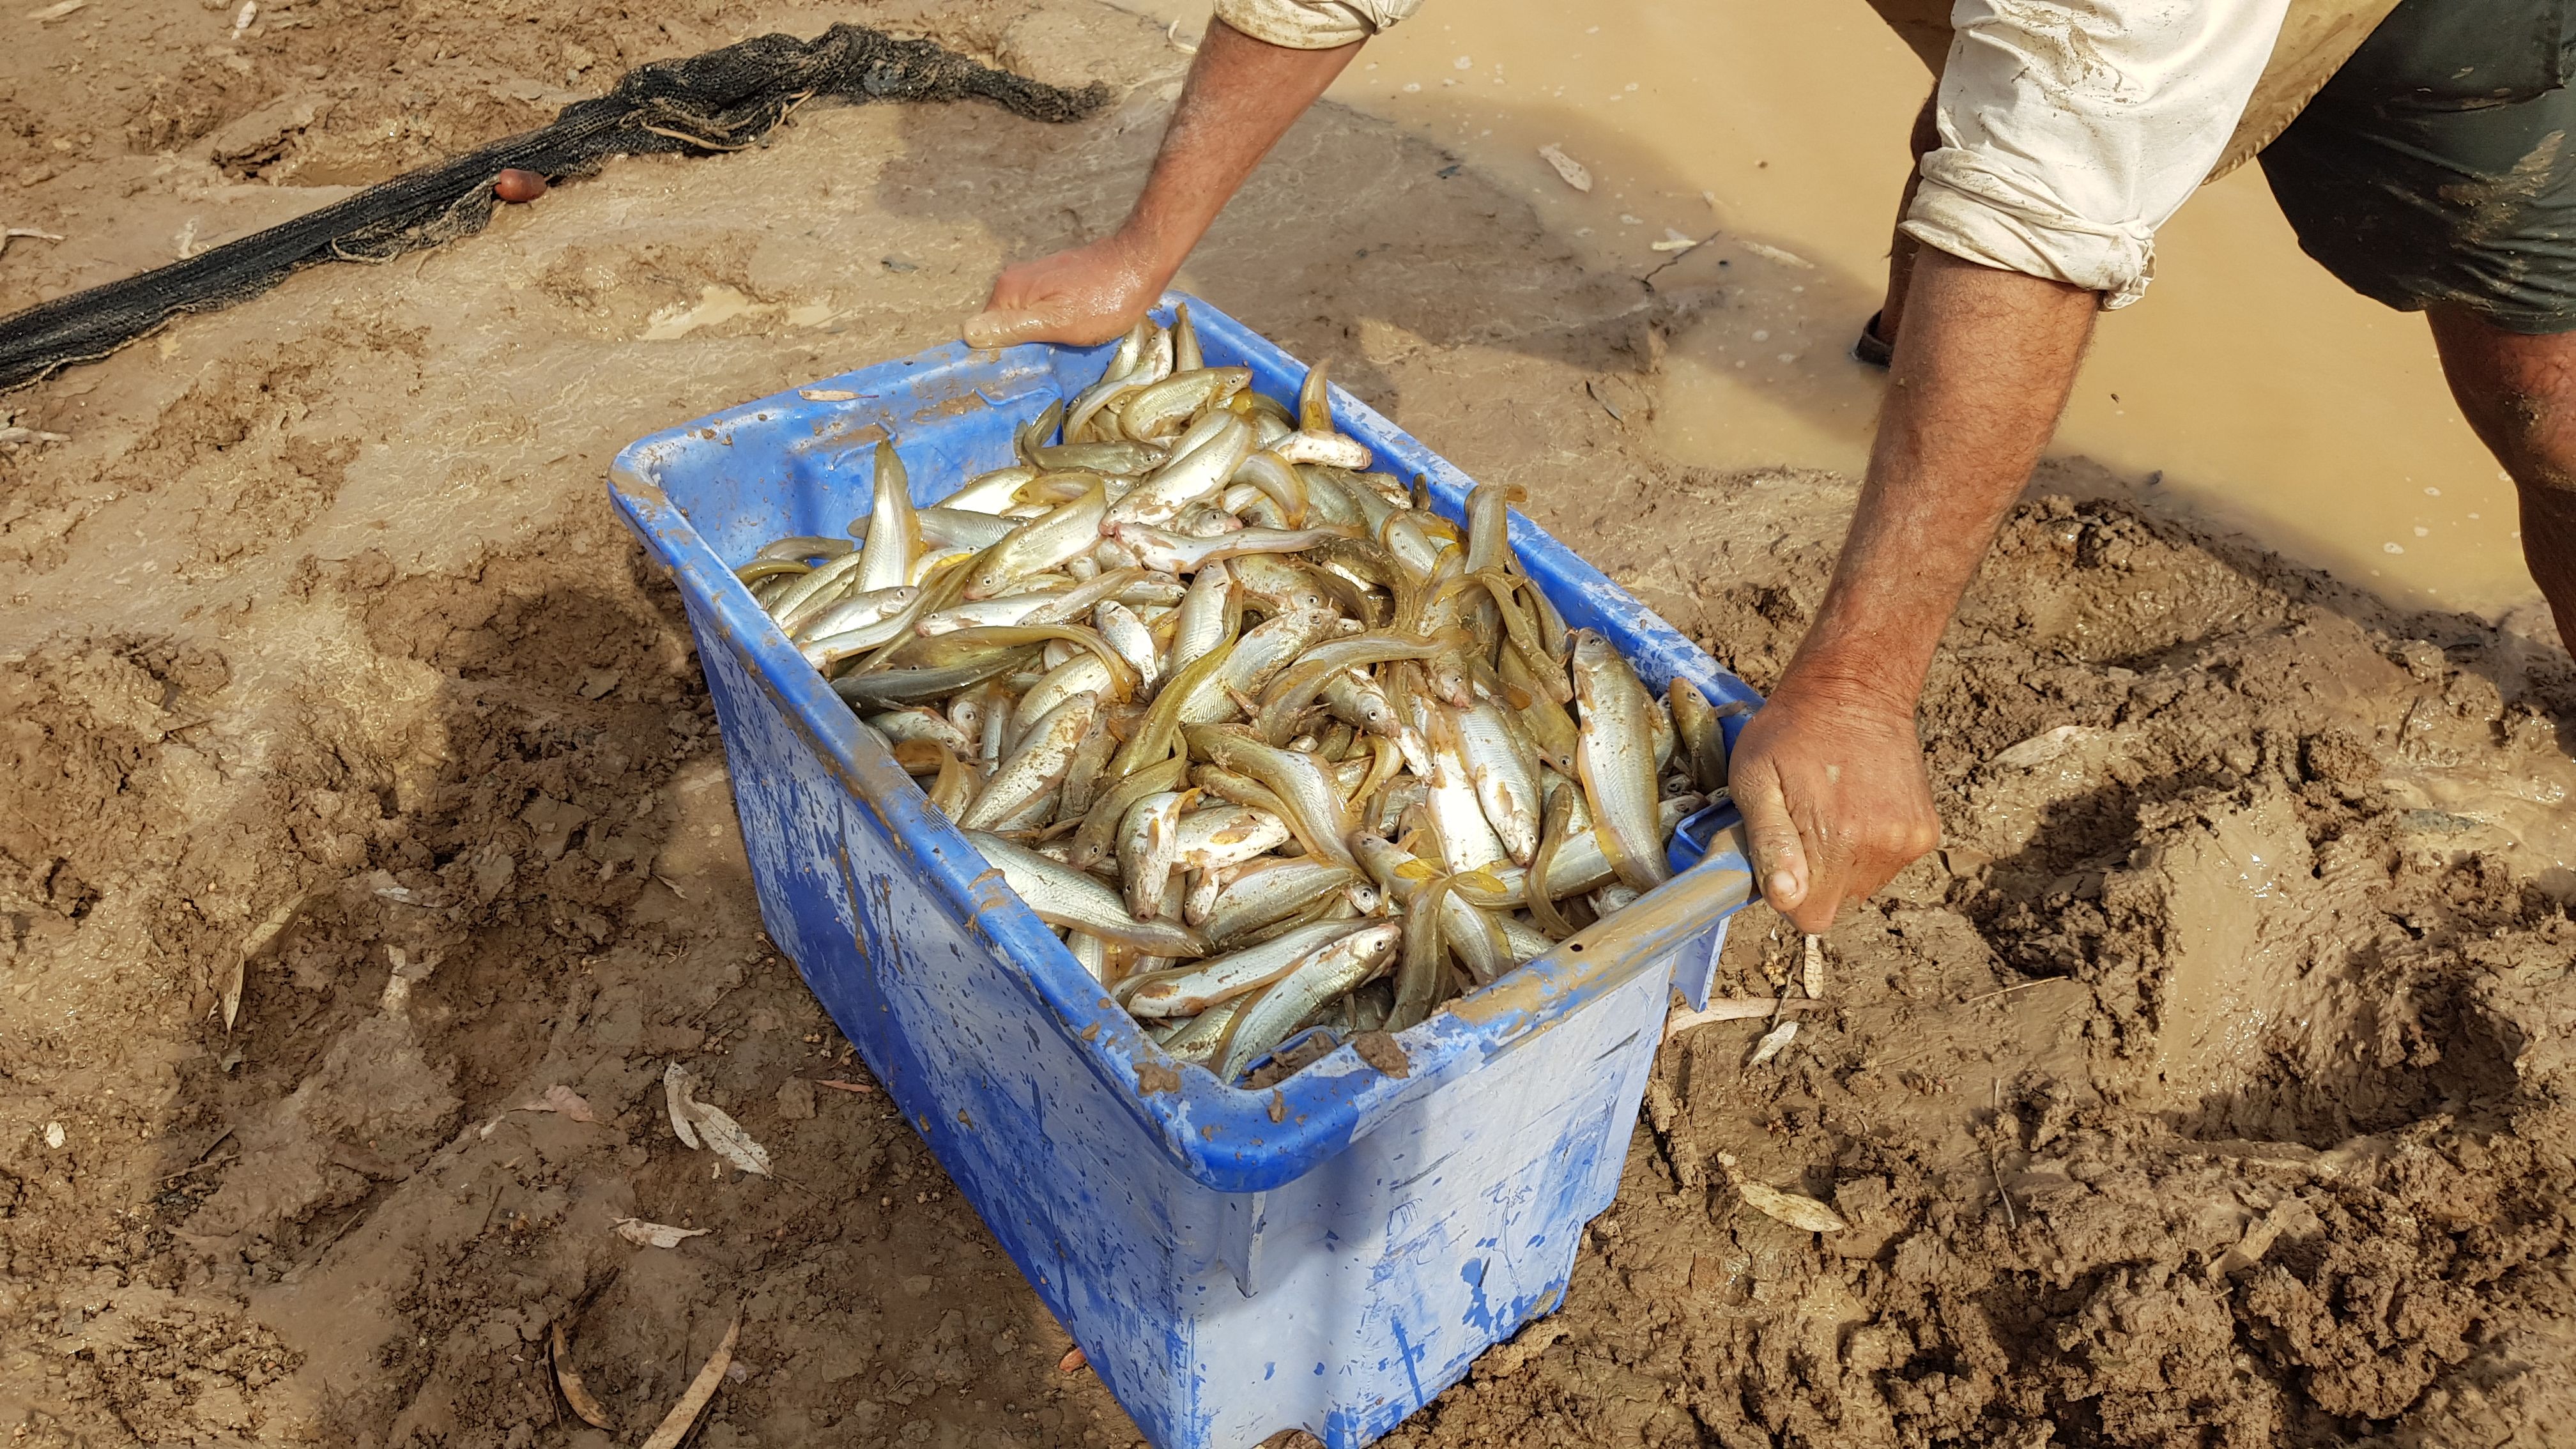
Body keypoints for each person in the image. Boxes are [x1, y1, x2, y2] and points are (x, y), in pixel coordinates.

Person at [961, 0, 2576, 935]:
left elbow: (2046, 208)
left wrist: (1861, 686)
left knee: (2544, 391)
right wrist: (1141, 249)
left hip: (2416, 26)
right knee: (1991, 122)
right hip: (2080, 37)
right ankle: (1908, 325)